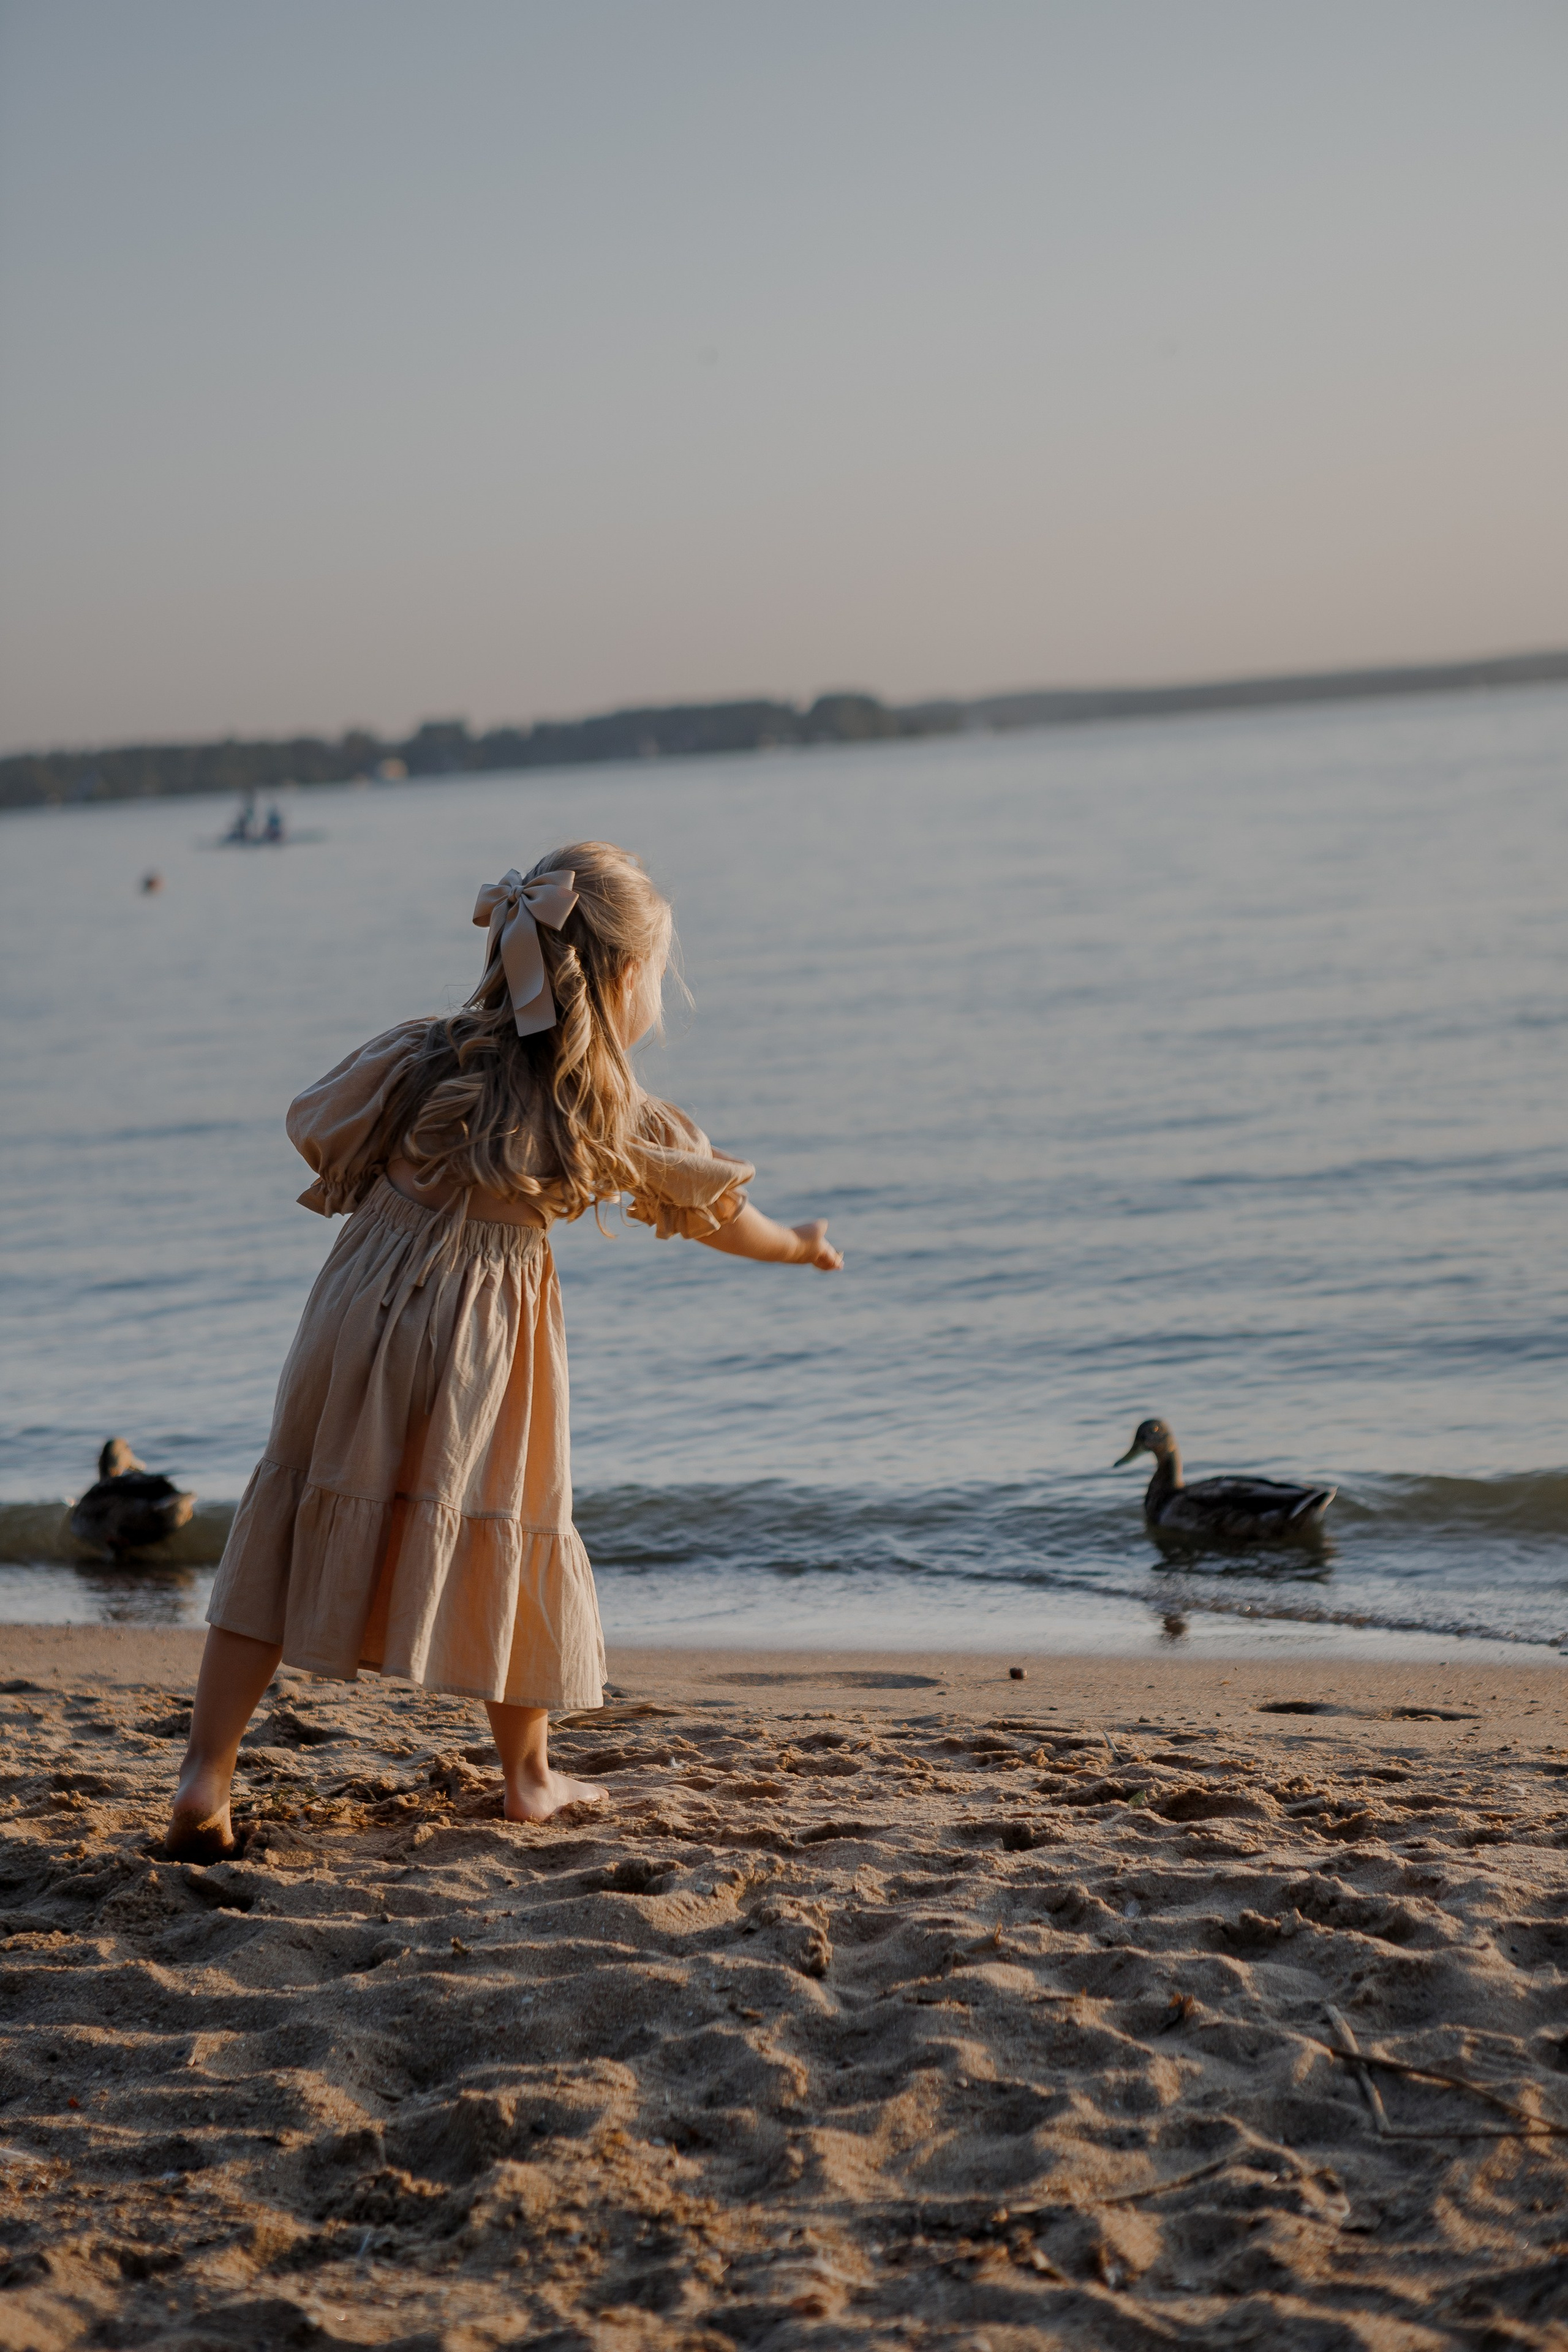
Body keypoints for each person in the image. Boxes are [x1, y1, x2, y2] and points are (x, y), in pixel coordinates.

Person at [166, 843, 841, 1858]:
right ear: (619, 981)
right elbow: (710, 1204)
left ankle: (203, 1774)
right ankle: (528, 1779)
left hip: (359, 1303)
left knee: (295, 1504)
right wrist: (796, 1246)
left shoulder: (423, 1054)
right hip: (486, 1333)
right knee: (515, 1521)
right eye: (654, 977)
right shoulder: (599, 1104)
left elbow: (314, 1123)